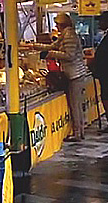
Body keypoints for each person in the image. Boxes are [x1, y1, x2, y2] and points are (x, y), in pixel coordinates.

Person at [33, 13, 88, 141]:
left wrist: (49, 54)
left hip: (75, 74)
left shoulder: (69, 36)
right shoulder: (66, 34)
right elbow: (53, 45)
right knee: (77, 104)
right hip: (75, 73)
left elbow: (69, 55)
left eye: (57, 24)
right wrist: (34, 46)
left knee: (75, 104)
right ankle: (80, 131)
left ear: (62, 24)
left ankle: (77, 133)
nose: (56, 26)